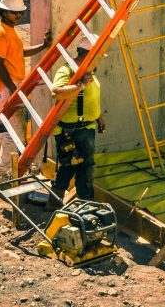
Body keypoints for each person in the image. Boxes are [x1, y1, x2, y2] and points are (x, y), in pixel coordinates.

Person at [0, 0, 52, 182]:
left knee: (4, 130)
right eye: (14, 13)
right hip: (5, 87)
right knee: (14, 133)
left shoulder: (8, 30)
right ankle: (1, 176)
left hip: (7, 86)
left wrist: (42, 45)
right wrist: (13, 88)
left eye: (20, 13)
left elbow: (18, 52)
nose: (18, 16)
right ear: (3, 11)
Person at [47, 34, 106, 205]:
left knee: (77, 167)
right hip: (72, 130)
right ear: (88, 54)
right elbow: (56, 93)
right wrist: (80, 85)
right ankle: (84, 205)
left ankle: (57, 203)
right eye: (98, 54)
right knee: (79, 168)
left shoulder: (88, 72)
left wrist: (99, 117)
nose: (100, 58)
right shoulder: (68, 71)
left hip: (85, 127)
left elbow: (90, 98)